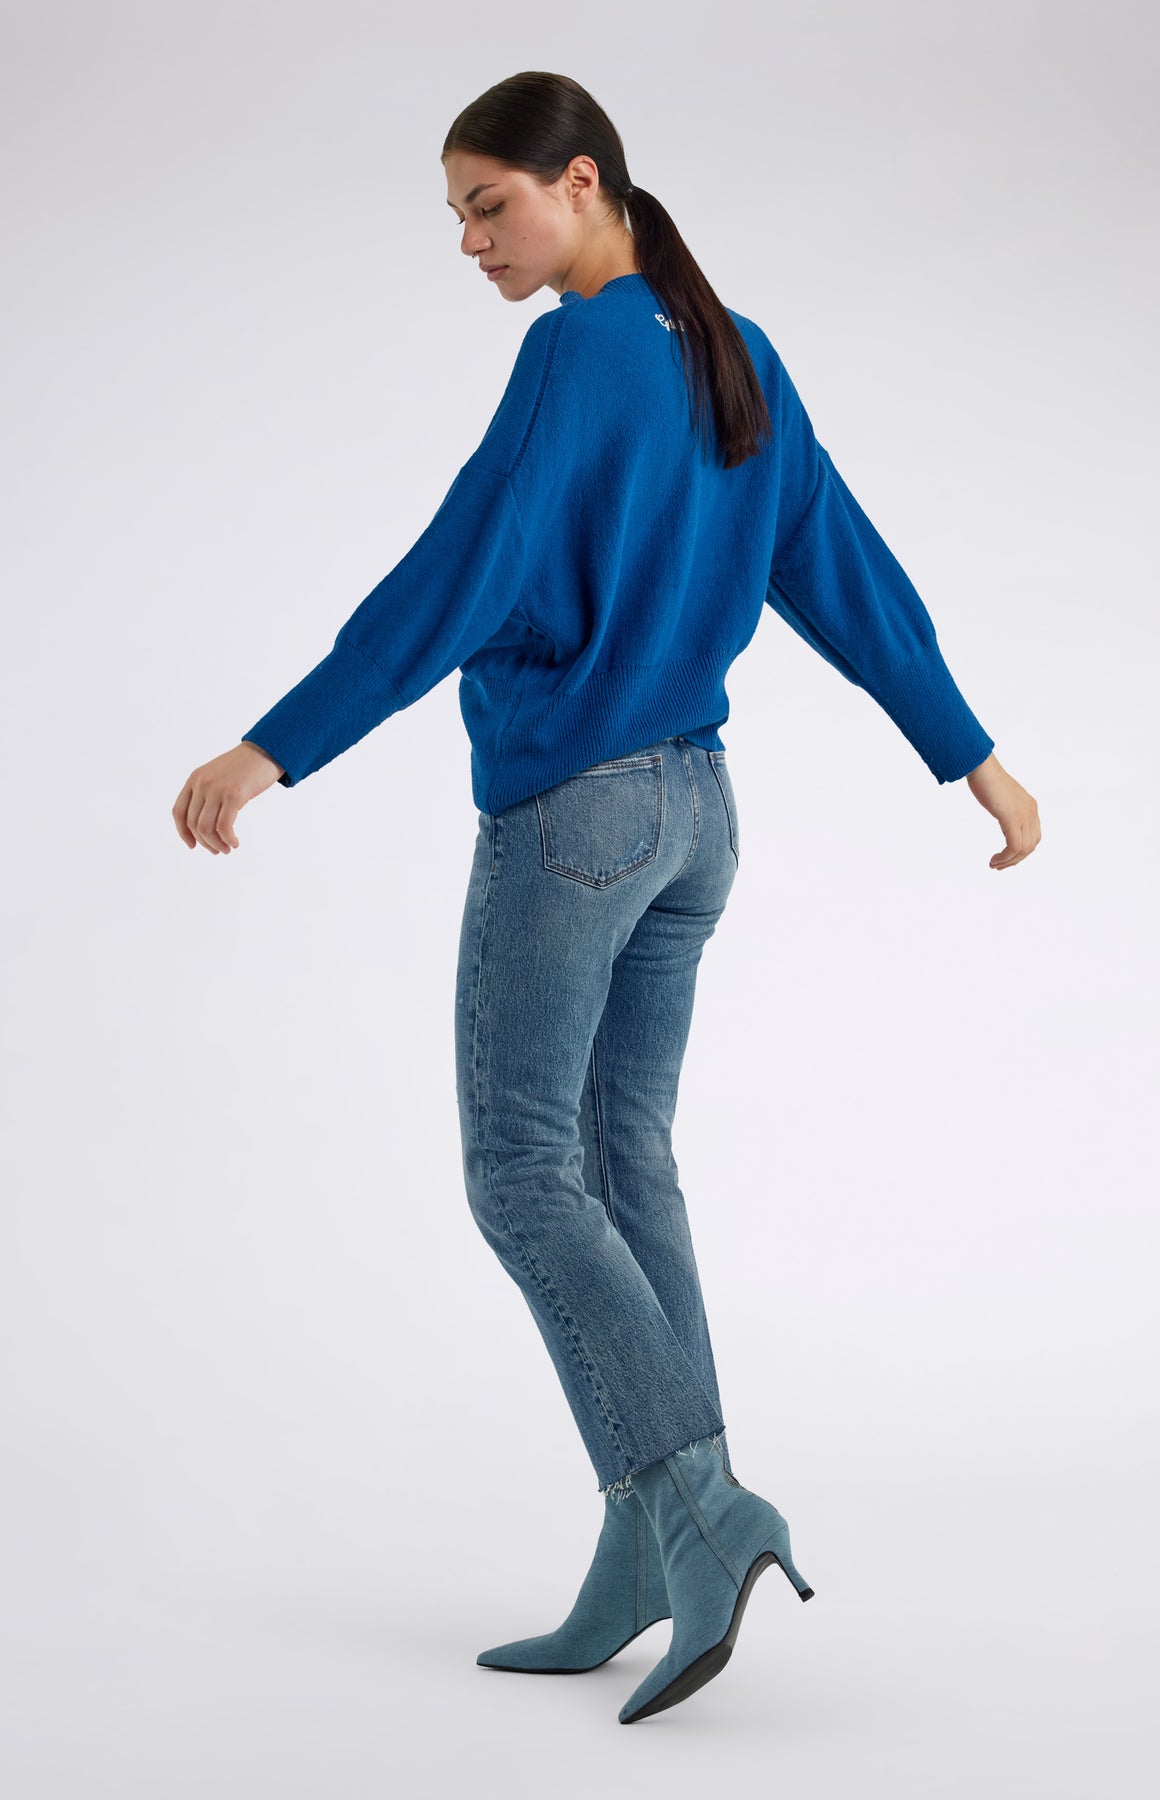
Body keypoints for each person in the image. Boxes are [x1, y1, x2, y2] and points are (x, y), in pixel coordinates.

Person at [172, 71, 1041, 1725]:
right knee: (621, 1160)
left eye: (488, 206)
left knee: (521, 1170)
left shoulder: (577, 351)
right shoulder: (732, 348)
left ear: (583, 183)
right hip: (697, 815)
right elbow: (843, 570)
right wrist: (975, 759)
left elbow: (463, 568)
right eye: (456, 219)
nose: (471, 244)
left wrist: (276, 745)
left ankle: (699, 1500)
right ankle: (651, 1541)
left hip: (578, 811)